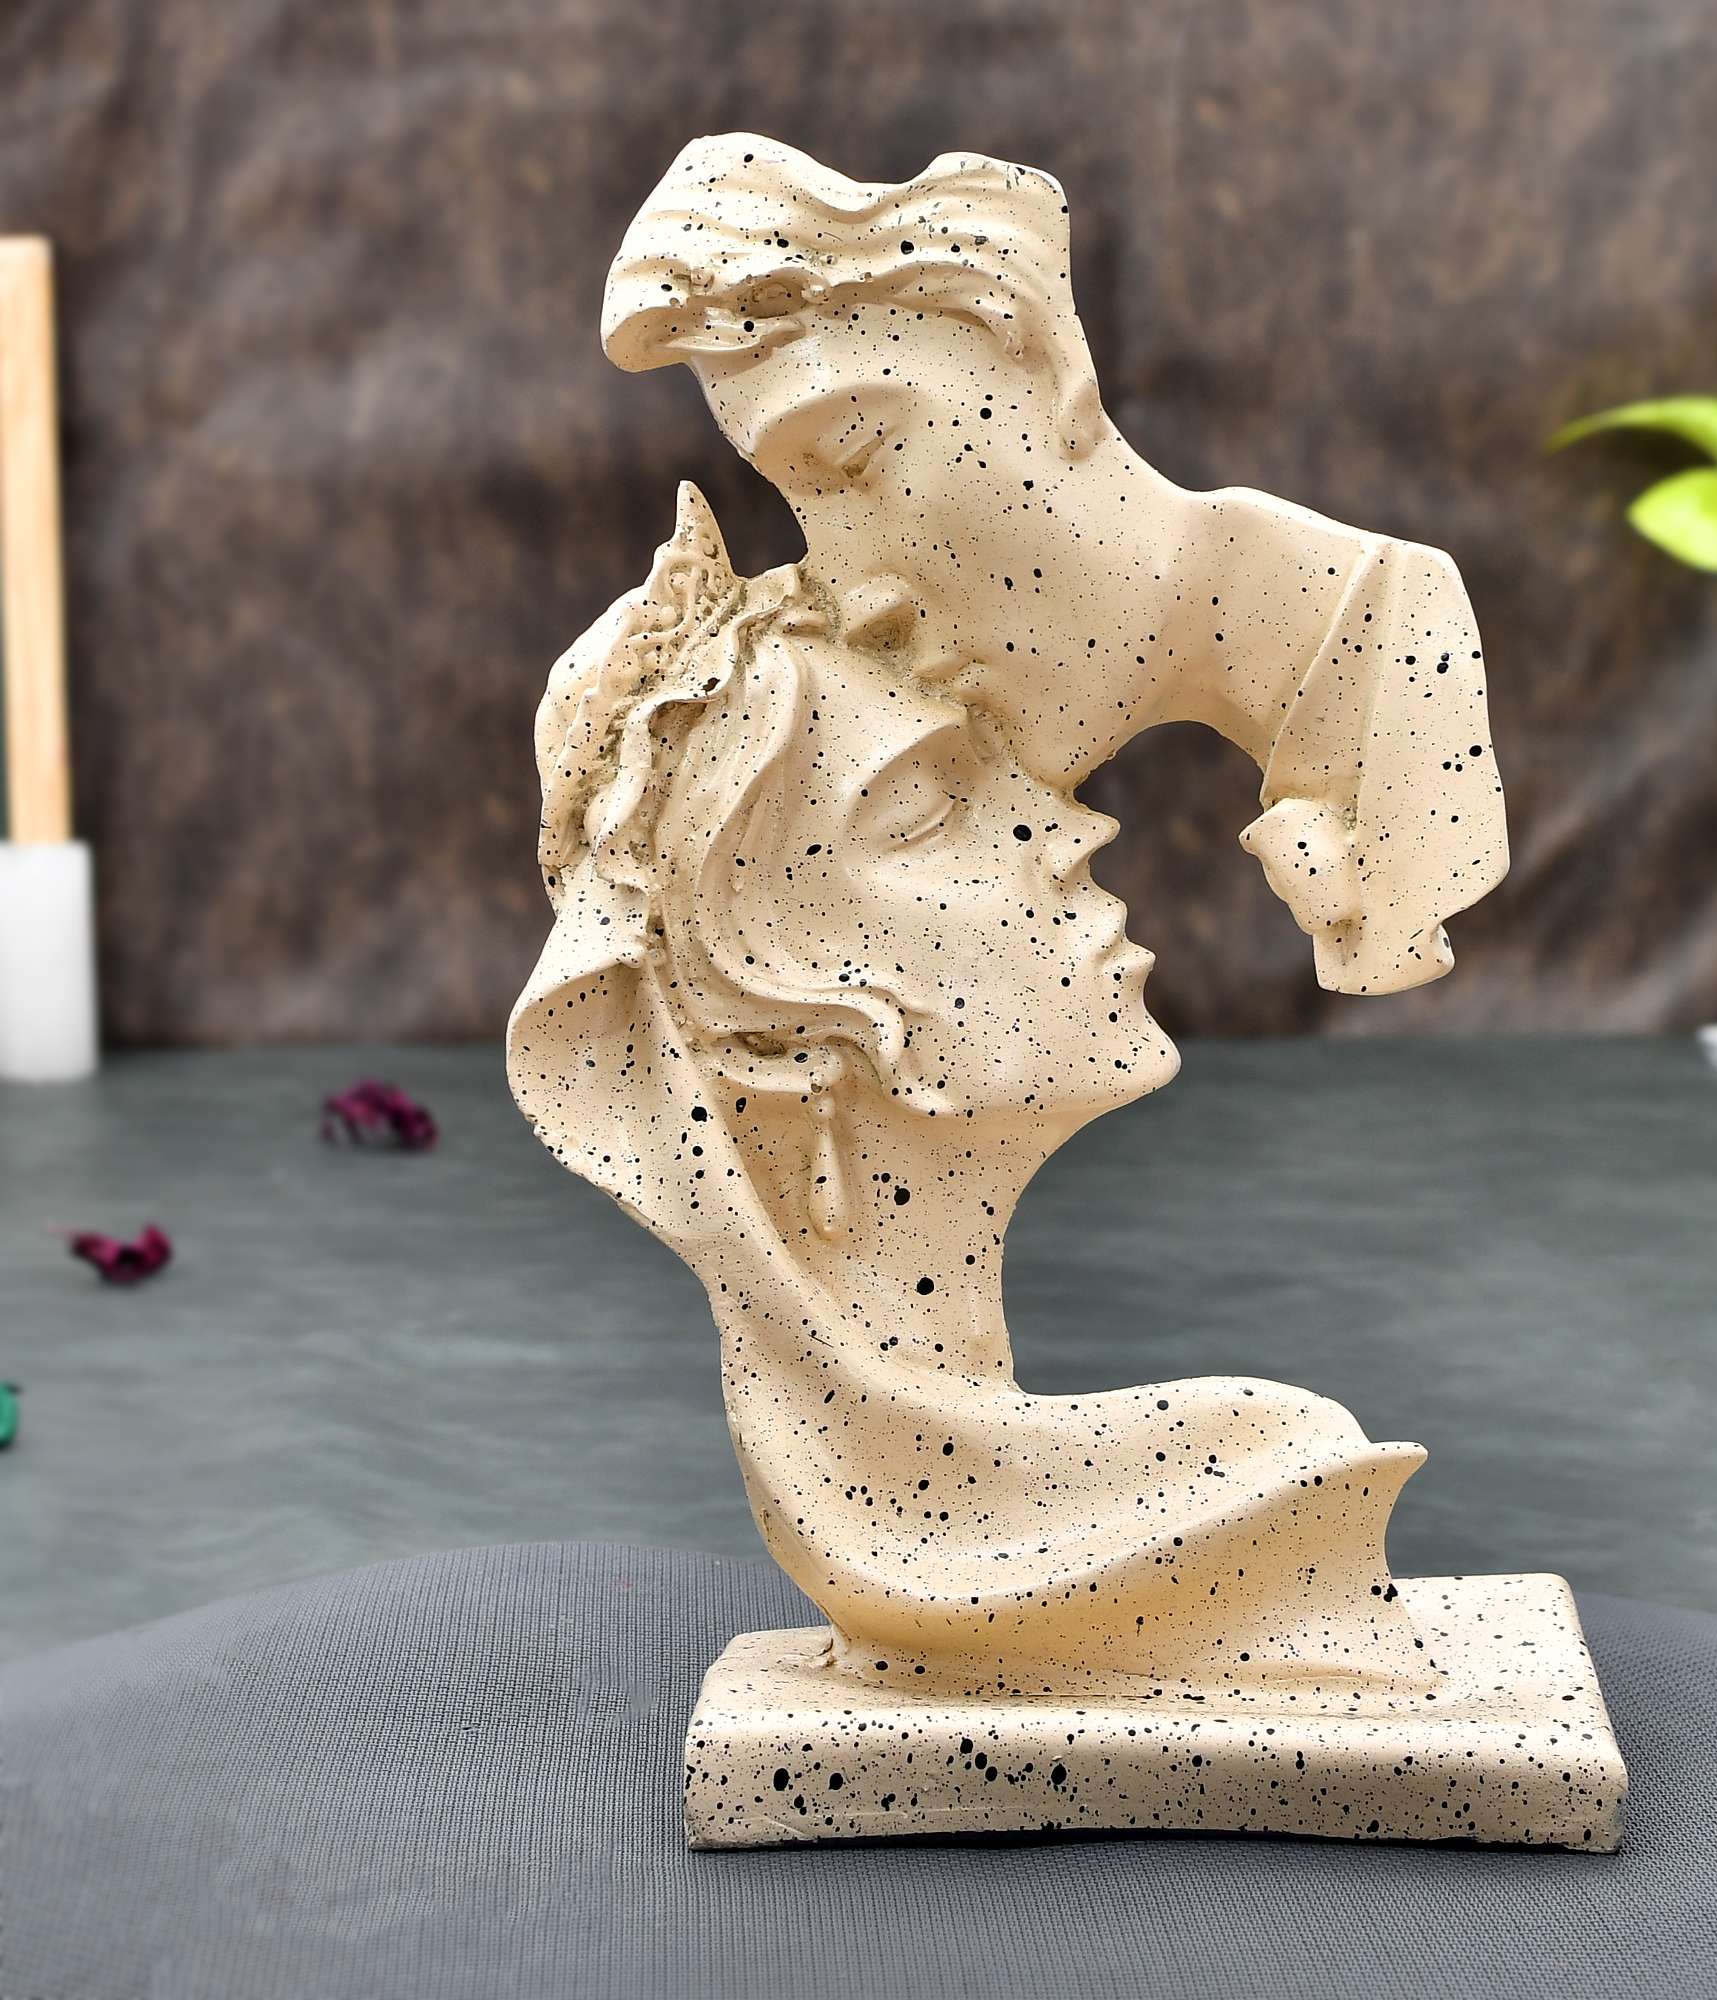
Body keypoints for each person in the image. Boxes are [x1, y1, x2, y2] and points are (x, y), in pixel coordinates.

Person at [509, 485, 1438, 1701]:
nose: (1070, 825)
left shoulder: (1250, 1457)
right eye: (926, 808)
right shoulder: (1219, 1481)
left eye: (1001, 772)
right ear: (768, 1016)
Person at [598, 133, 1508, 996]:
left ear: (1043, 353)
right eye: (800, 510)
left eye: (852, 453)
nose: (848, 597)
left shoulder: (1408, 694)